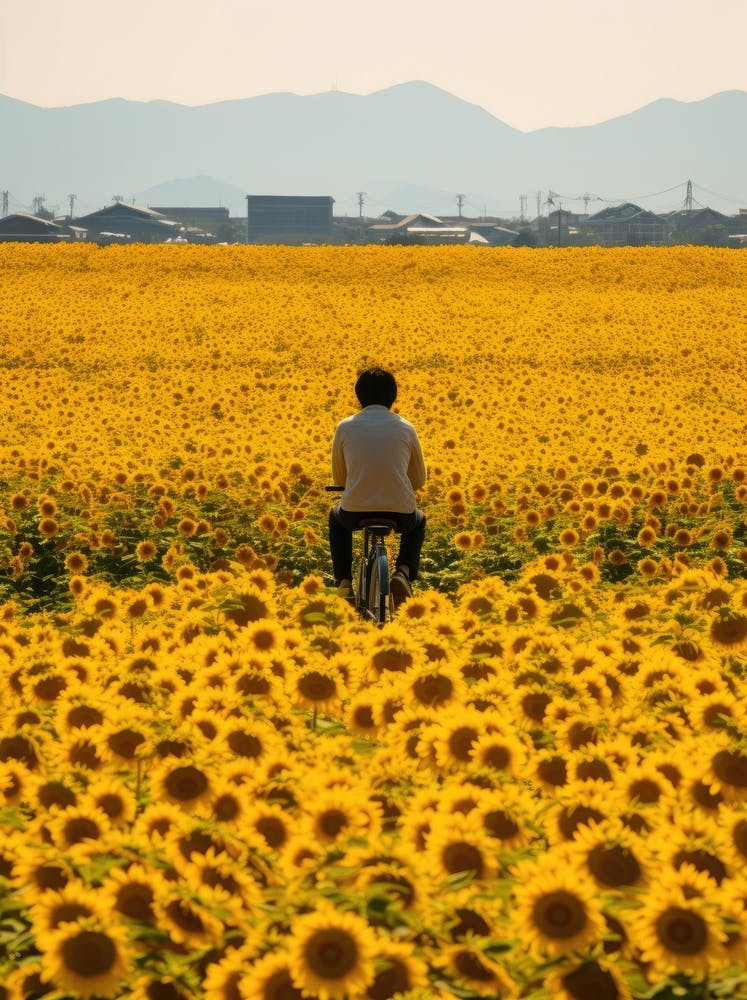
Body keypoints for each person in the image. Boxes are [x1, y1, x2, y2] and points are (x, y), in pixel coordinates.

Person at [329, 367, 427, 607]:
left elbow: (340, 479)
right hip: (400, 513)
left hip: (354, 512)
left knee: (336, 518)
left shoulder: (345, 426)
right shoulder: (406, 427)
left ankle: (344, 582)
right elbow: (419, 479)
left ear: (358, 396)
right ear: (393, 396)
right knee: (419, 521)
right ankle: (403, 573)